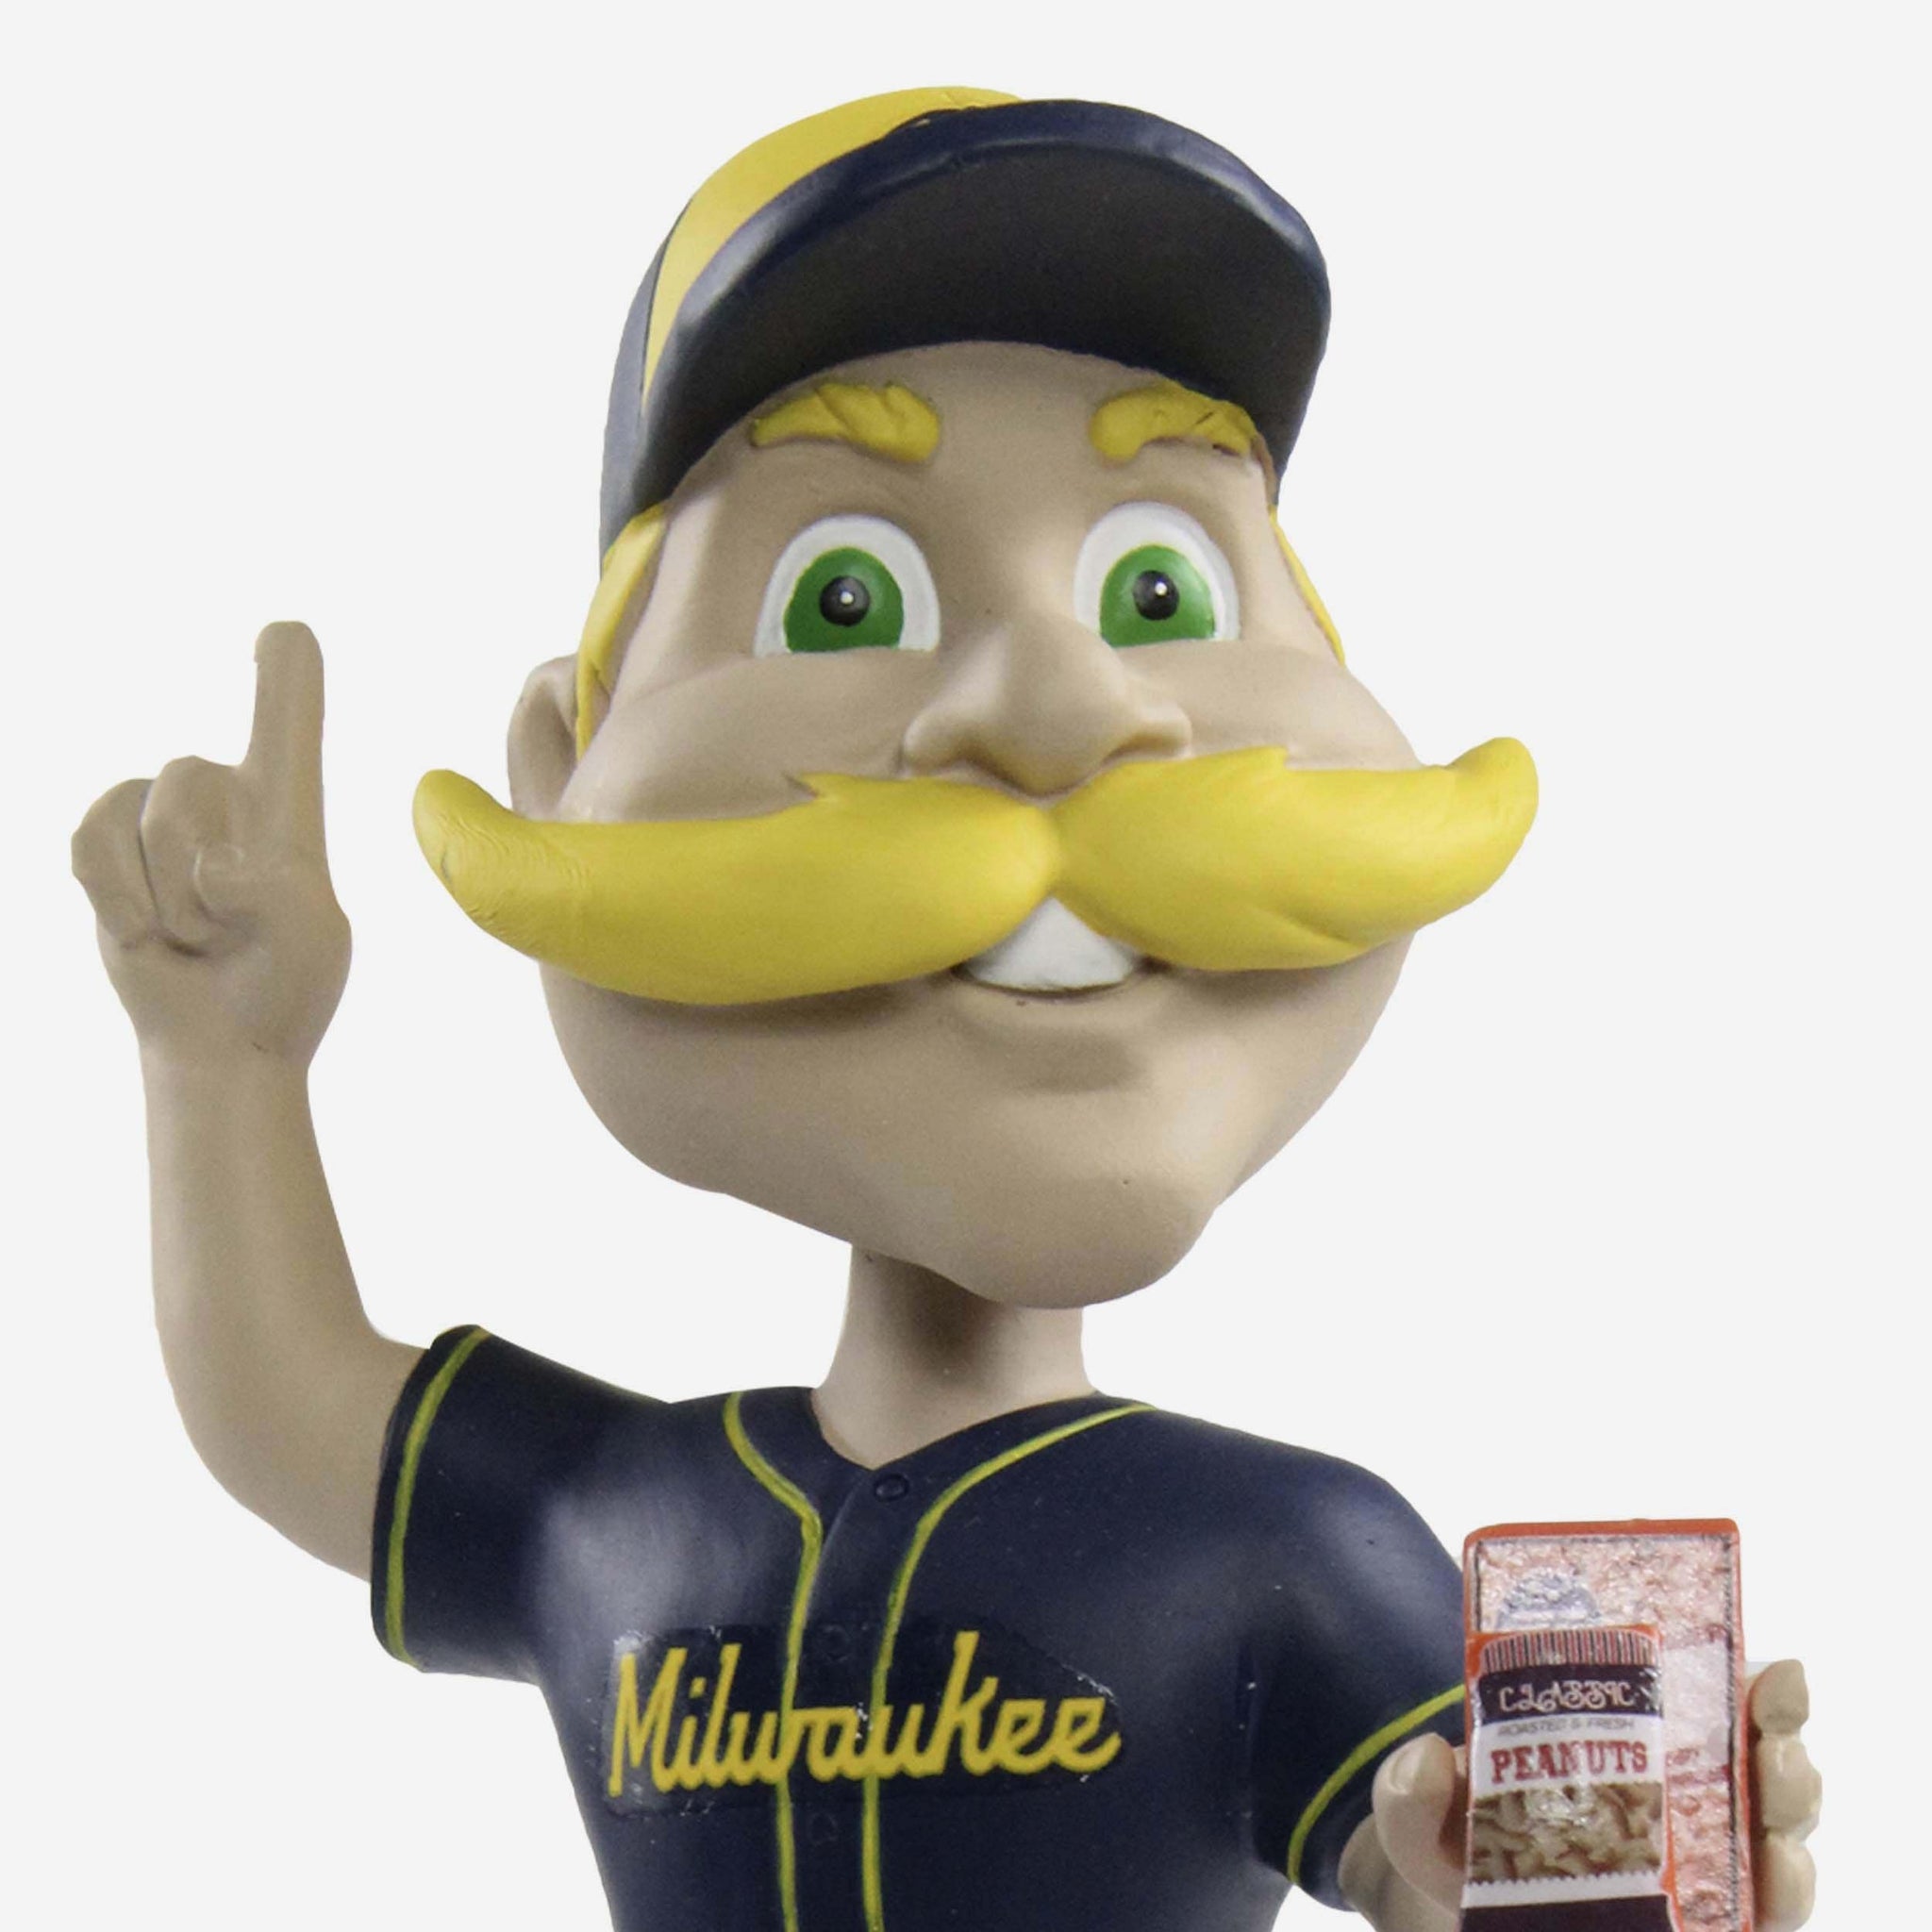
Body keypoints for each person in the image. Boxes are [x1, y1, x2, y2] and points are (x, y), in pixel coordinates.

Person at [70, 89, 1817, 1931]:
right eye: (842, 599)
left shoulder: (1284, 1554)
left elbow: (1431, 1854)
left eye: (1159, 586)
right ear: (566, 771)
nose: (1060, 710)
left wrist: (1582, 1875)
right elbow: (285, 1397)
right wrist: (218, 1057)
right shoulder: (621, 1513)